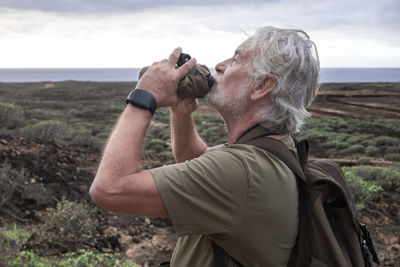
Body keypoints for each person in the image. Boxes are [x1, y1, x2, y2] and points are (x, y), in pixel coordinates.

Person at [89, 26, 320, 266]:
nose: (220, 65)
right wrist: (181, 112)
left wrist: (145, 95)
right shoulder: (272, 150)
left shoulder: (242, 171)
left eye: (236, 58)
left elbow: (109, 189)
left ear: (262, 86)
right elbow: (196, 156)